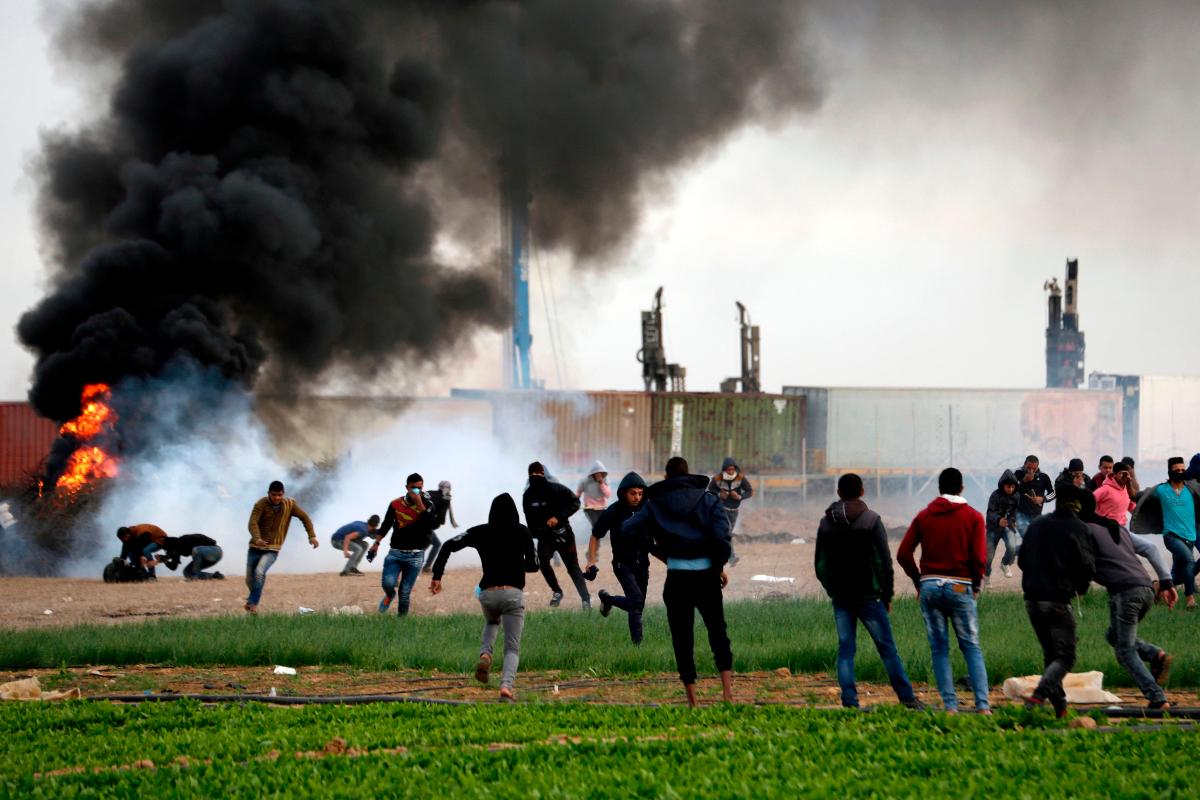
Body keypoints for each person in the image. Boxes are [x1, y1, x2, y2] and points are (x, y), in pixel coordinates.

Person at [624, 456, 733, 708]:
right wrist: (717, 567)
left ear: (666, 477)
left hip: (677, 579)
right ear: (689, 474)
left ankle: (693, 701)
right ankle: (727, 694)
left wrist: (657, 550)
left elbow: (629, 529)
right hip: (707, 577)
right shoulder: (709, 500)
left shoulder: (654, 505)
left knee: (682, 639)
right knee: (718, 632)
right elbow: (722, 539)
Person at [815, 473, 921, 710]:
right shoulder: (871, 520)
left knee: (845, 651)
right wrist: (887, 594)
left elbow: (819, 565)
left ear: (839, 493)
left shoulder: (825, 523)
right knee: (887, 649)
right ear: (862, 492)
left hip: (841, 598)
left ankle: (850, 702)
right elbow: (883, 561)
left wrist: (832, 589)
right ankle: (907, 699)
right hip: (869, 596)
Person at [897, 468, 990, 714]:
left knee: (939, 648)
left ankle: (950, 706)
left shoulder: (924, 516)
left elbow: (903, 553)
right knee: (970, 645)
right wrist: (977, 584)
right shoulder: (974, 517)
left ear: (939, 488)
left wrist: (920, 581)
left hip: (930, 587)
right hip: (960, 586)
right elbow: (979, 558)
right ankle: (983, 705)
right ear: (961, 488)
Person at [429, 493, 538, 702]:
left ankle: (485, 655)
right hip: (513, 593)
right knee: (512, 647)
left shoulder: (480, 531)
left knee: (491, 621)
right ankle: (506, 688)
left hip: (487, 593)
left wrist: (437, 576)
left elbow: (448, 545)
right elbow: (534, 566)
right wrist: (515, 564)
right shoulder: (523, 531)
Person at [1082, 494, 1174, 710]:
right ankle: (1155, 655)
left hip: (1125, 593)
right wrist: (1167, 582)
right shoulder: (1115, 527)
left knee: (1125, 650)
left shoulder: (1084, 530)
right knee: (1113, 635)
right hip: (1146, 590)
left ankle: (1157, 698)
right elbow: (1150, 548)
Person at [1017, 482, 1096, 717]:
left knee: (1051, 656)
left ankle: (1060, 708)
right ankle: (1038, 696)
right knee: (1066, 657)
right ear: (1078, 504)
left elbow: (1021, 561)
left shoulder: (1038, 524)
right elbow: (1087, 567)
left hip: (1032, 600)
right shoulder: (1079, 528)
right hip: (1058, 601)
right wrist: (1080, 588)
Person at [589, 472, 651, 644]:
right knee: (636, 602)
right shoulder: (614, 511)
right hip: (622, 564)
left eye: (640, 493)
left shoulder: (647, 509)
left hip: (643, 564)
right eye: (633, 493)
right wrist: (591, 561)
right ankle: (637, 647)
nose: (637, 497)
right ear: (624, 493)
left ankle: (607, 599)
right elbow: (595, 535)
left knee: (637, 605)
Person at [1131, 457, 1200, 610]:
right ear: (1170, 471)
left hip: (1190, 537)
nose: (1181, 473)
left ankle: (1158, 587)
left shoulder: (1191, 488)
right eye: (1177, 471)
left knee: (1176, 574)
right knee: (1189, 562)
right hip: (1171, 536)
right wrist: (1130, 478)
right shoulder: (1161, 490)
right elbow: (1136, 496)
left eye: (1183, 470)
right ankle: (1190, 599)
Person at [523, 461, 590, 609]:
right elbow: (529, 519)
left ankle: (586, 600)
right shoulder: (528, 495)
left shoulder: (556, 489)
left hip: (564, 534)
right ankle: (557, 591)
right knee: (543, 563)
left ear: (543, 474)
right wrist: (536, 535)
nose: (535, 477)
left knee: (572, 568)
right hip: (545, 538)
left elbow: (575, 503)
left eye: (537, 474)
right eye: (532, 474)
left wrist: (558, 518)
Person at [369, 473, 438, 616]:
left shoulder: (428, 503)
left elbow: (430, 524)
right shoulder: (395, 504)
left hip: (416, 554)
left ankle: (401, 623)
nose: (417, 491)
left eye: (420, 488)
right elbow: (386, 524)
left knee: (405, 592)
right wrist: (376, 543)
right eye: (414, 488)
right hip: (395, 552)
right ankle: (389, 595)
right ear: (407, 487)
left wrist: (419, 503)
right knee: (388, 584)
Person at [1094, 462, 1172, 586]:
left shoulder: (1125, 489)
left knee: (1150, 548)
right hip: (1106, 532)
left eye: (1127, 474)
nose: (1124, 476)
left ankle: (1166, 582)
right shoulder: (1104, 490)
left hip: (1123, 531)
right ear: (1114, 475)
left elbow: (1132, 506)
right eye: (1121, 474)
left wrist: (1149, 517)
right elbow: (1089, 503)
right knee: (1127, 564)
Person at [245, 481, 318, 613]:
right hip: (255, 547)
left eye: (279, 495)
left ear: (283, 494)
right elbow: (252, 523)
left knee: (260, 572)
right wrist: (257, 539)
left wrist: (312, 536)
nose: (277, 498)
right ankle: (253, 597)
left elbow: (305, 518)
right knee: (249, 580)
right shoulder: (260, 504)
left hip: (272, 549)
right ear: (269, 494)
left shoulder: (290, 505)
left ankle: (252, 604)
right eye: (274, 495)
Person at [708, 457, 753, 566]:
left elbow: (750, 491)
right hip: (721, 509)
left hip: (734, 510)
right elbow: (710, 489)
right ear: (724, 469)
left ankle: (719, 554)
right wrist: (719, 495)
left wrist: (740, 497)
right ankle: (731, 557)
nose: (731, 472)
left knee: (726, 535)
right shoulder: (718, 478)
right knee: (726, 532)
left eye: (732, 469)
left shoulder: (740, 478)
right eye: (728, 470)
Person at [984, 470, 1020, 580]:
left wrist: (1012, 521)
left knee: (1012, 547)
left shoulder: (1017, 496)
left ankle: (1005, 564)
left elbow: (1016, 512)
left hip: (1007, 526)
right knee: (989, 555)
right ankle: (987, 576)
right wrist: (998, 520)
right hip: (993, 527)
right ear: (1003, 485)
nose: (1010, 489)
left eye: (1012, 487)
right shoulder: (995, 495)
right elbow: (990, 513)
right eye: (1008, 487)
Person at [144, 533, 225, 580]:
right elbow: (173, 567)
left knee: (196, 550)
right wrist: (164, 560)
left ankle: (195, 577)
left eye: (169, 550)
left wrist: (160, 560)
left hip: (215, 551)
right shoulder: (177, 549)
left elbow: (176, 551)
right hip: (207, 558)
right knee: (187, 573)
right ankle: (215, 576)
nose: (169, 552)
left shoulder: (184, 540)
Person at [1014, 455, 1056, 543]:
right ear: (1024, 464)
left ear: (1037, 467)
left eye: (1034, 468)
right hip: (1020, 513)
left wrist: (1043, 499)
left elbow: (1053, 493)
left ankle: (1017, 552)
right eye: (1028, 468)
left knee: (1039, 541)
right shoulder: (1017, 473)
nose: (1031, 471)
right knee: (1028, 538)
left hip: (1037, 515)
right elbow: (1011, 490)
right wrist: (1023, 481)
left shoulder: (1044, 476)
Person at [422, 481, 459, 574]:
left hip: (418, 523)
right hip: (426, 526)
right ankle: (419, 566)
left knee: (435, 544)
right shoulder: (445, 499)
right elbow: (442, 518)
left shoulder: (429, 493)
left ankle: (425, 566)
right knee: (423, 546)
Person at [576, 461, 612, 529]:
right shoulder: (585, 481)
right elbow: (578, 493)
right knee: (595, 525)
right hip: (590, 507)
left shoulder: (605, 480)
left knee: (602, 526)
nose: (598, 475)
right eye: (596, 473)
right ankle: (595, 538)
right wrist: (575, 503)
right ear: (592, 473)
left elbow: (608, 495)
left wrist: (601, 483)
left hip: (602, 507)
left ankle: (597, 537)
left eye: (600, 473)